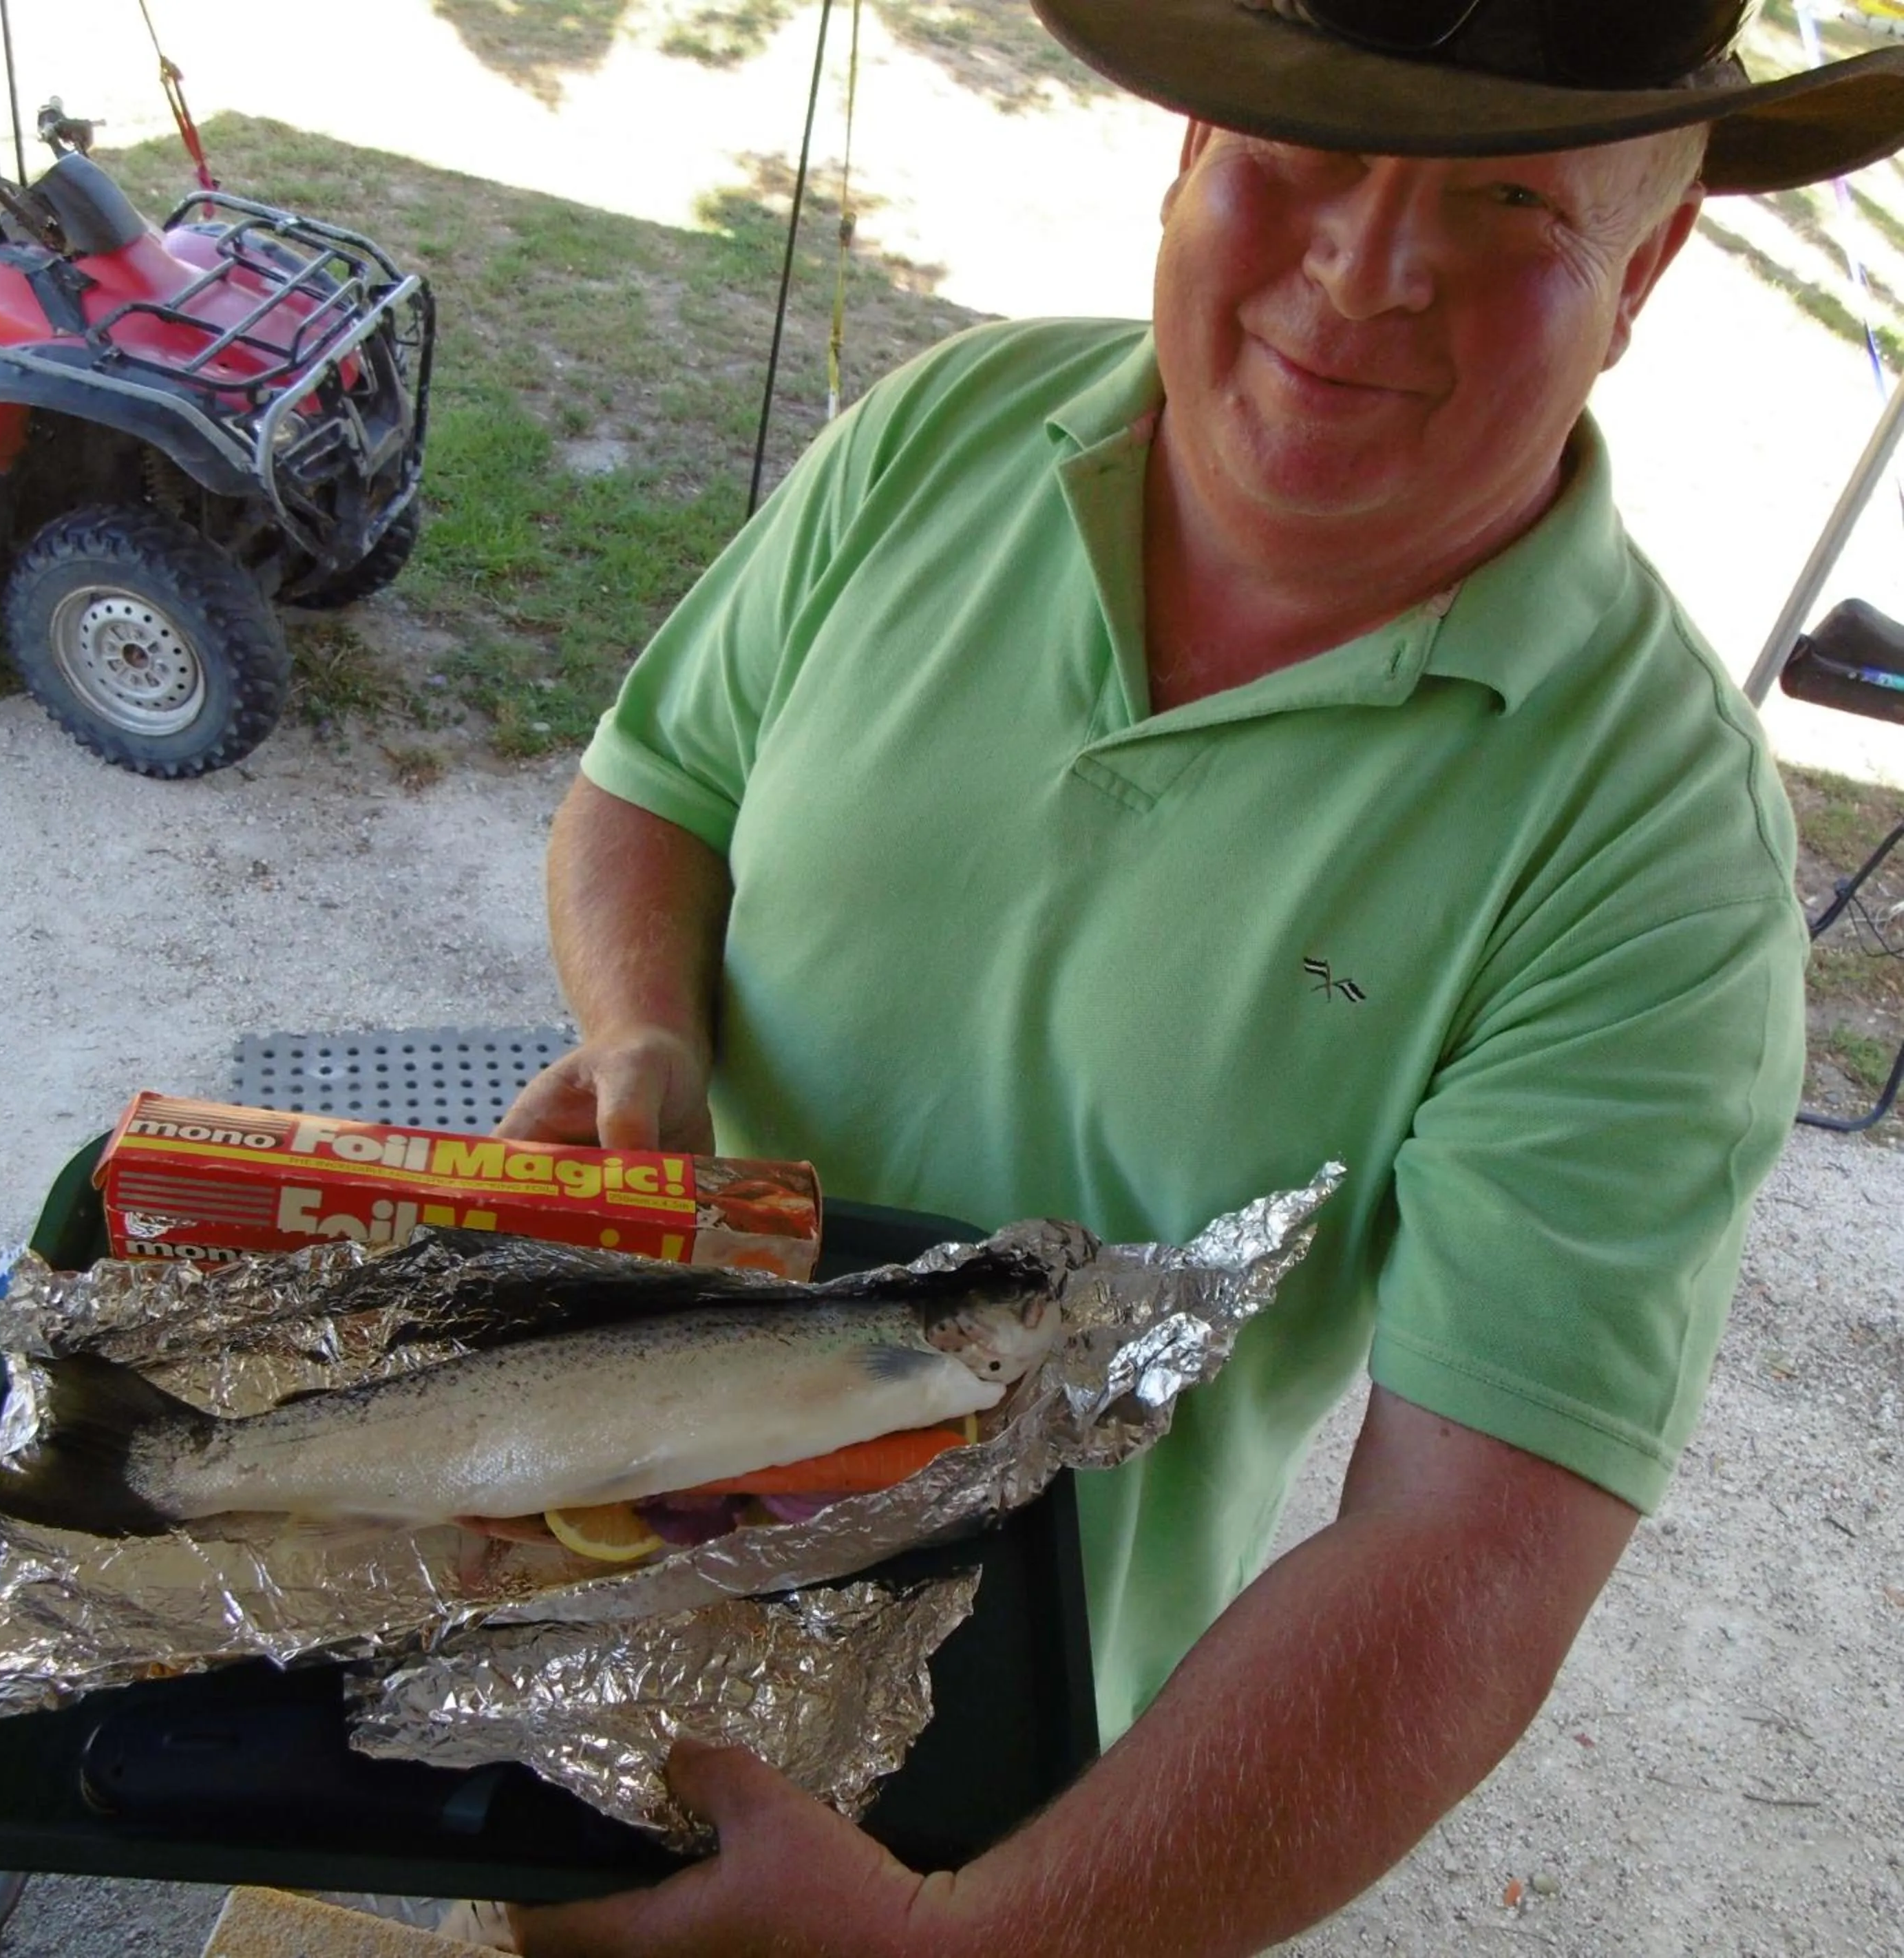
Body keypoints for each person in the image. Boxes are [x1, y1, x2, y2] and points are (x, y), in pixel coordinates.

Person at [474, 5, 1904, 1952]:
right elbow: (654, 792)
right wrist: (642, 1022)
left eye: (1507, 203)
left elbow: (1465, 1558)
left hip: (990, 1796)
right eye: (1309, 149)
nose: (1370, 268)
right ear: (1187, 153)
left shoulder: (1651, 850)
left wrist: (935, 1945)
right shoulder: (943, 435)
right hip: (563, 1562)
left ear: (1644, 270)